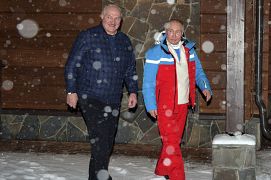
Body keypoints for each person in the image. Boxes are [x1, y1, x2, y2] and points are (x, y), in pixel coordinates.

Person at [64, 4, 138, 180]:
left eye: (117, 18)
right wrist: (71, 91)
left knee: (105, 143)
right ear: (101, 17)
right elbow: (72, 65)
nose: (113, 22)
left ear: (121, 21)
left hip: (112, 99)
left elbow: (130, 70)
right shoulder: (88, 36)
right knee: (100, 140)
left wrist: (133, 91)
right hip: (90, 96)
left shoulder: (124, 41)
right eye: (109, 17)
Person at [142, 19, 213, 180]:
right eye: (170, 31)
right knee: (172, 143)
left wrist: (205, 87)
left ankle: (162, 169)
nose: (174, 35)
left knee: (172, 142)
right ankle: (176, 176)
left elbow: (198, 73)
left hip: (183, 104)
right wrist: (151, 104)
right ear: (165, 32)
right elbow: (148, 82)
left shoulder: (190, 51)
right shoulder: (155, 52)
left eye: (178, 31)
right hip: (163, 105)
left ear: (183, 33)